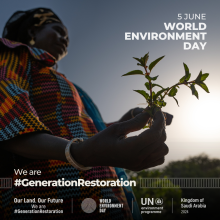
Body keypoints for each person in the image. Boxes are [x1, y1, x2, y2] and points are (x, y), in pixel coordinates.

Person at [0, 8, 169, 220]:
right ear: (34, 31)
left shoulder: (70, 86)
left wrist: (130, 119)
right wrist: (79, 152)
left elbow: (86, 135)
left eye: (68, 37)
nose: (65, 40)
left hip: (105, 199)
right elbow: (8, 119)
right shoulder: (14, 53)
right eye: (59, 31)